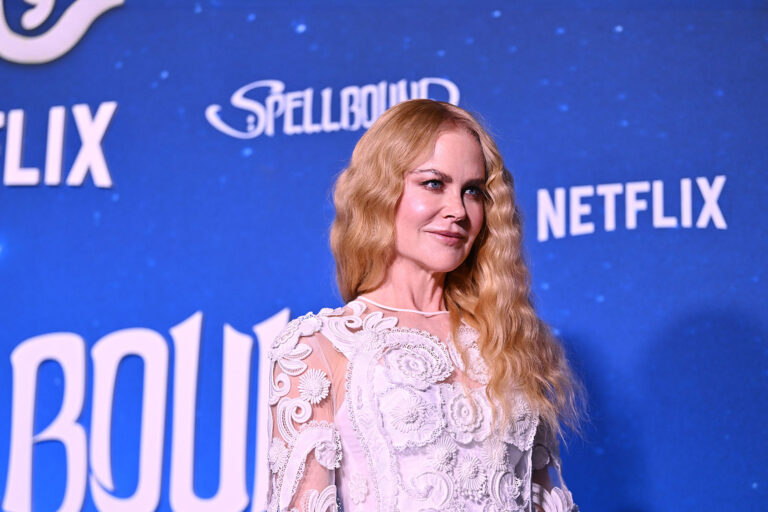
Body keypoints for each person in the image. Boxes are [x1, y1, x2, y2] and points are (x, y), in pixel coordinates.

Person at [266, 99, 583, 512]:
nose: (457, 210)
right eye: (434, 183)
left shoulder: (511, 338)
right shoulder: (320, 348)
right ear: (381, 191)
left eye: (472, 191)